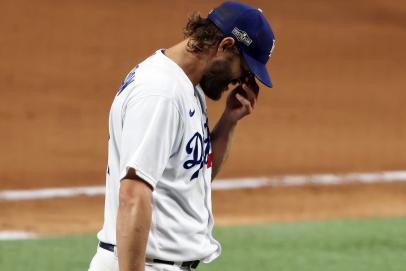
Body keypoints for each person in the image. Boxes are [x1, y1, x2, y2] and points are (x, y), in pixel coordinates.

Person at [88, 2, 275, 271]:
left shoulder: (186, 87)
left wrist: (228, 121)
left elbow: (191, 177)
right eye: (244, 68)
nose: (242, 80)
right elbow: (133, 193)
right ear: (224, 46)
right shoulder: (160, 93)